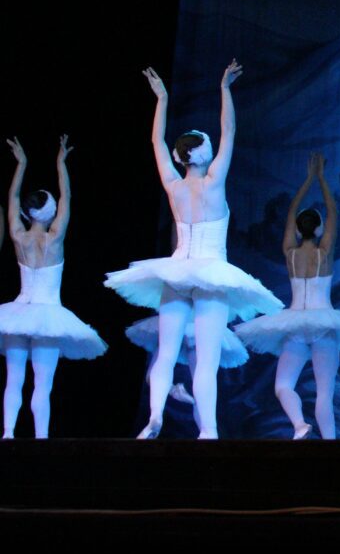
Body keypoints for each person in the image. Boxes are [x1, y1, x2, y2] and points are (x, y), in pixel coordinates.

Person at [106, 62, 282, 439]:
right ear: (204, 153)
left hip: (177, 271)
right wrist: (225, 88)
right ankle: (209, 431)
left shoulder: (173, 185)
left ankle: (155, 417)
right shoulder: (215, 181)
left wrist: (162, 99)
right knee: (206, 357)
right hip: (211, 272)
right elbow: (230, 131)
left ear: (179, 157)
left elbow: (155, 142)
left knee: (166, 353)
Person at [236, 152, 340, 439]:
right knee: (324, 393)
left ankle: (299, 424)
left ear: (299, 230)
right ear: (318, 228)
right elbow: (333, 212)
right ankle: (328, 442)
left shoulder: (290, 253)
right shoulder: (323, 253)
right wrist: (321, 178)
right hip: (324, 325)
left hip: (295, 325)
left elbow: (291, 213)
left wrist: (306, 181)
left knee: (283, 386)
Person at [1, 136, 106, 438]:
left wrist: (21, 165)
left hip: (19, 313)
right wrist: (61, 164)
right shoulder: (55, 237)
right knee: (42, 385)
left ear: (29, 213)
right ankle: (41, 439)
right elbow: (67, 199)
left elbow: (12, 200)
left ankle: (8, 433)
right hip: (47, 315)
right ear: (48, 212)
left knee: (14, 380)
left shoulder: (18, 236)